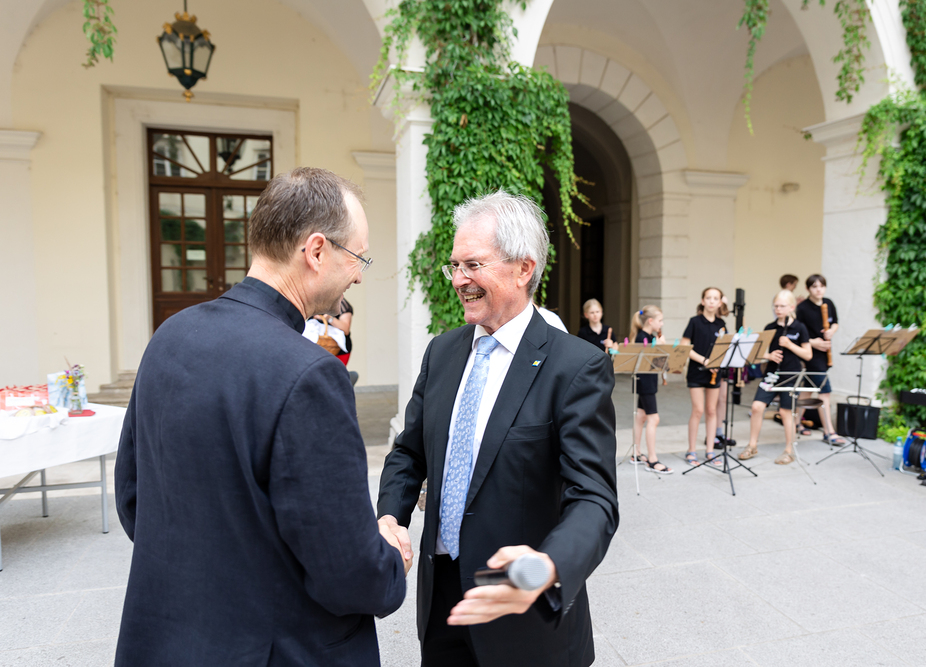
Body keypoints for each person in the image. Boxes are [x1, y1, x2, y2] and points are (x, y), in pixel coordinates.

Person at [114, 168, 408, 667]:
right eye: (357, 257)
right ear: (317, 251)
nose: (359, 275)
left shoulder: (170, 336)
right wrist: (389, 559)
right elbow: (347, 572)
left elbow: (133, 500)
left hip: (166, 640)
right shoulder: (310, 374)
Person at [377, 190, 619, 667]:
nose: (458, 280)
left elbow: (594, 499)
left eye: (473, 265)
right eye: (454, 266)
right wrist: (390, 517)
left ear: (523, 269)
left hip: (526, 613)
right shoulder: (442, 352)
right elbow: (409, 452)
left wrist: (546, 567)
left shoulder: (575, 366)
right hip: (442, 602)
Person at [738, 290, 813, 465]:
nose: (778, 309)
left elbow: (808, 354)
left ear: (791, 307)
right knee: (757, 407)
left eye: (782, 306)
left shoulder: (799, 327)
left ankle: (789, 450)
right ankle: (752, 445)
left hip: (790, 375)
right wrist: (769, 356)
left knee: (785, 412)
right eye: (776, 306)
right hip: (771, 374)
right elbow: (758, 353)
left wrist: (790, 345)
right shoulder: (770, 327)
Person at [795, 274, 846, 445]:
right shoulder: (803, 308)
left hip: (824, 352)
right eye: (815, 287)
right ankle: (828, 431)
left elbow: (835, 322)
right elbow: (798, 334)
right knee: (825, 391)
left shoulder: (828, 303)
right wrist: (813, 342)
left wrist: (832, 331)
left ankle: (795, 423)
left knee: (807, 390)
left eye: (821, 286)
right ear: (808, 289)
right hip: (811, 354)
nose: (819, 290)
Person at [681, 287, 728, 466]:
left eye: (715, 298)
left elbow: (724, 348)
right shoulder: (694, 322)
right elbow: (685, 347)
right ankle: (691, 450)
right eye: (708, 298)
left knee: (711, 410)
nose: (711, 301)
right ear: (703, 301)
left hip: (715, 372)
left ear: (720, 302)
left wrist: (717, 363)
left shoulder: (721, 324)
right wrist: (705, 361)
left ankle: (710, 451)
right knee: (698, 410)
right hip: (696, 371)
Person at [628, 305, 673, 474]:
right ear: (650, 321)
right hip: (645, 383)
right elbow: (644, 361)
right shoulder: (643, 338)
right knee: (654, 419)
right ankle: (652, 460)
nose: (662, 324)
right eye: (660, 321)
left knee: (641, 416)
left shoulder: (650, 337)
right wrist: (658, 347)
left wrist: (661, 347)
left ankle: (637, 453)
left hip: (648, 382)